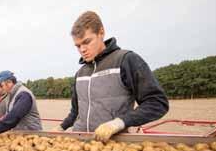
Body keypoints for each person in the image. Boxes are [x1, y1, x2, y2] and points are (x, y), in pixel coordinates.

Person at [54, 11, 169, 142]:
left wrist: (119, 123)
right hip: (81, 145)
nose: (82, 50)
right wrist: (61, 128)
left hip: (112, 146)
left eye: (87, 42)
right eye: (78, 46)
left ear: (101, 32)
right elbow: (76, 111)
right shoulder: (80, 73)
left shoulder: (126, 60)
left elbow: (157, 102)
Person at [0, 71, 42, 142]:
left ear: (9, 82)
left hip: (32, 136)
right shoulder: (11, 95)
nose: (2, 88)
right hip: (21, 135)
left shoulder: (24, 94)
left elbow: (14, 116)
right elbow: (9, 114)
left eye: (1, 85)